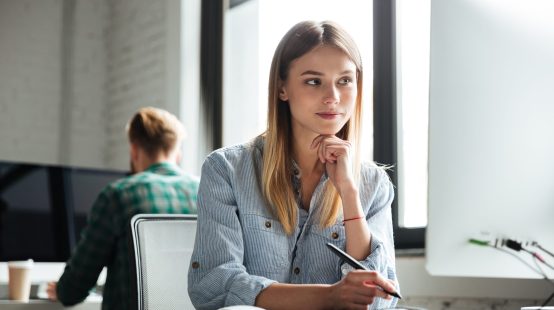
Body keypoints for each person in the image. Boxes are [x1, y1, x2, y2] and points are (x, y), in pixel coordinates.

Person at [188, 21, 399, 309]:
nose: (332, 98)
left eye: (345, 81)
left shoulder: (373, 184)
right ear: (282, 88)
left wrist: (349, 193)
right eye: (314, 81)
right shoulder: (226, 170)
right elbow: (213, 285)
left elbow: (378, 301)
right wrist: (329, 297)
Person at [47, 107, 199, 310]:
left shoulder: (118, 195)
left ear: (134, 150)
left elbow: (75, 286)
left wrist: (61, 290)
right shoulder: (206, 192)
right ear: (177, 153)